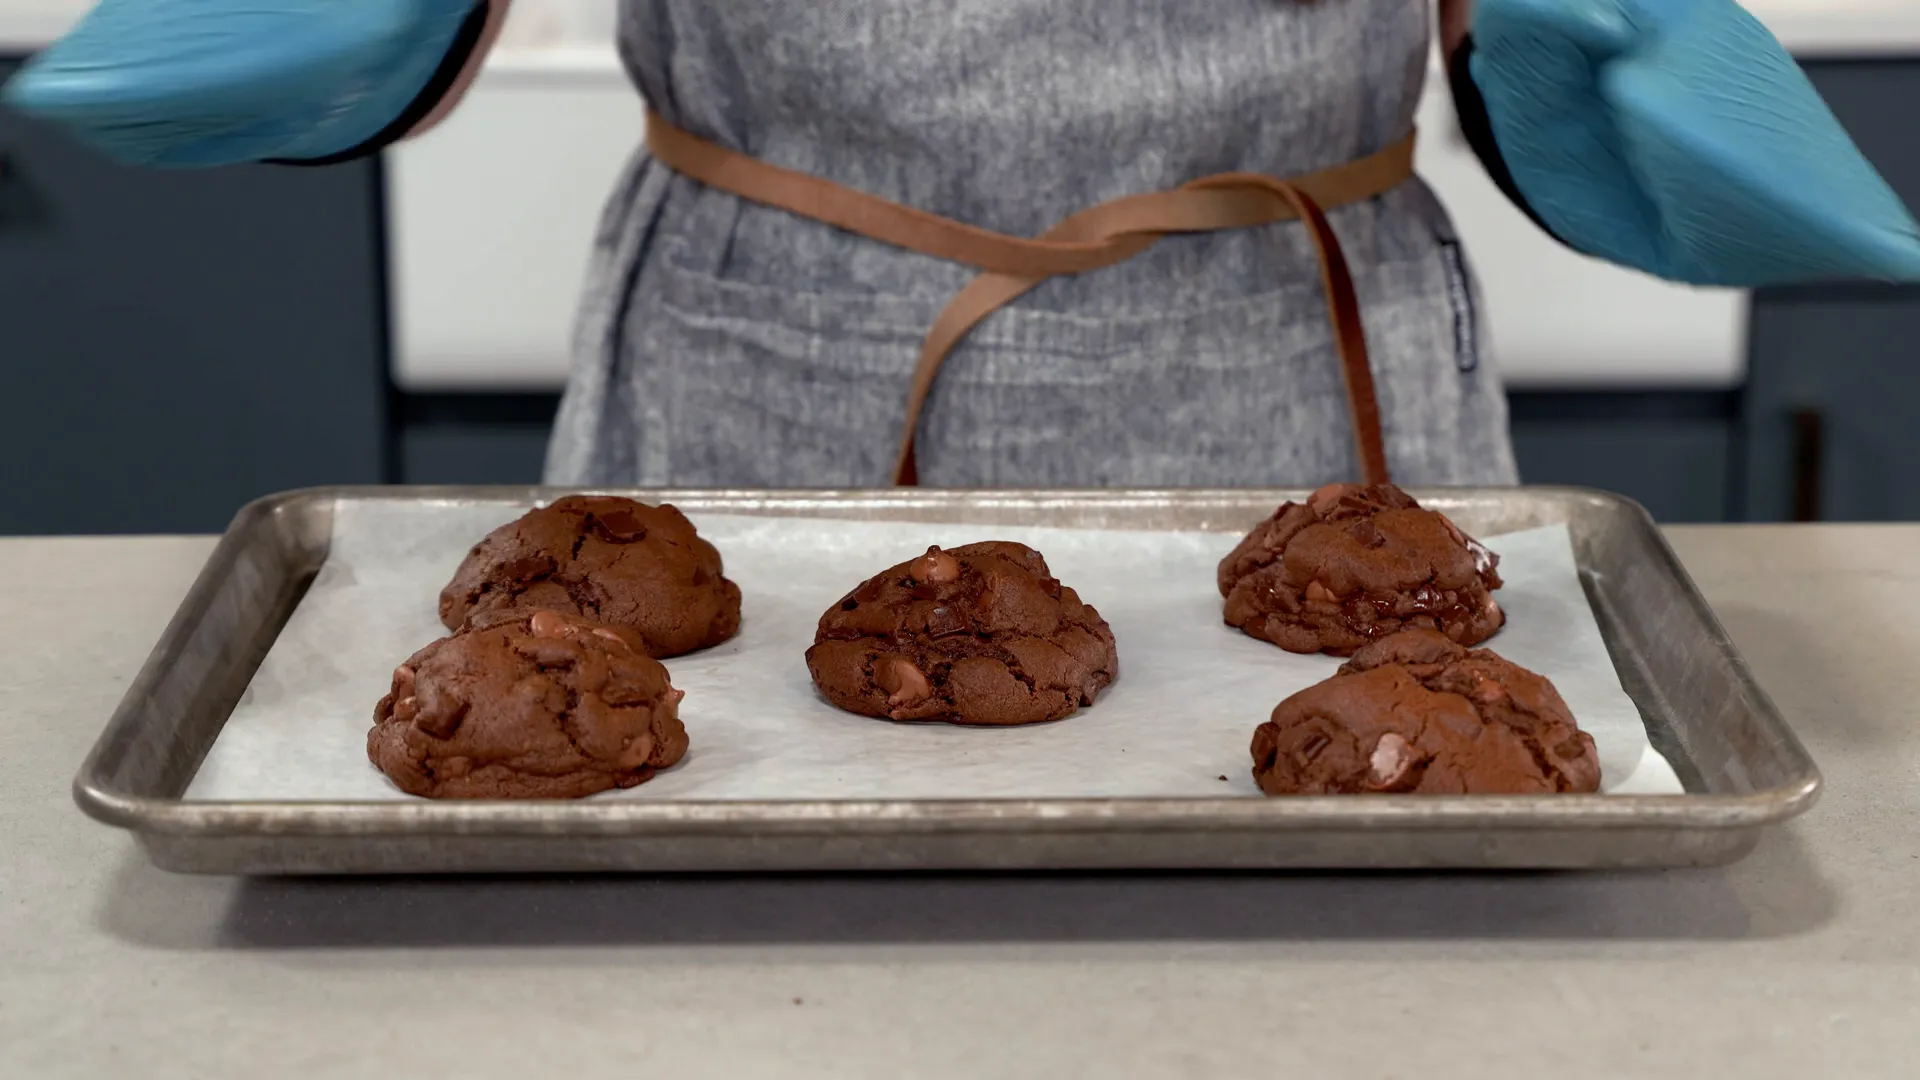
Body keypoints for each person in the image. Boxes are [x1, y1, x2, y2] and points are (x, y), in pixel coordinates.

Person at [8, 1, 1918, 490]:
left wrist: (1631, 63)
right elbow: (377, 56)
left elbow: (1535, 53)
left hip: (1292, 370)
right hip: (760, 375)